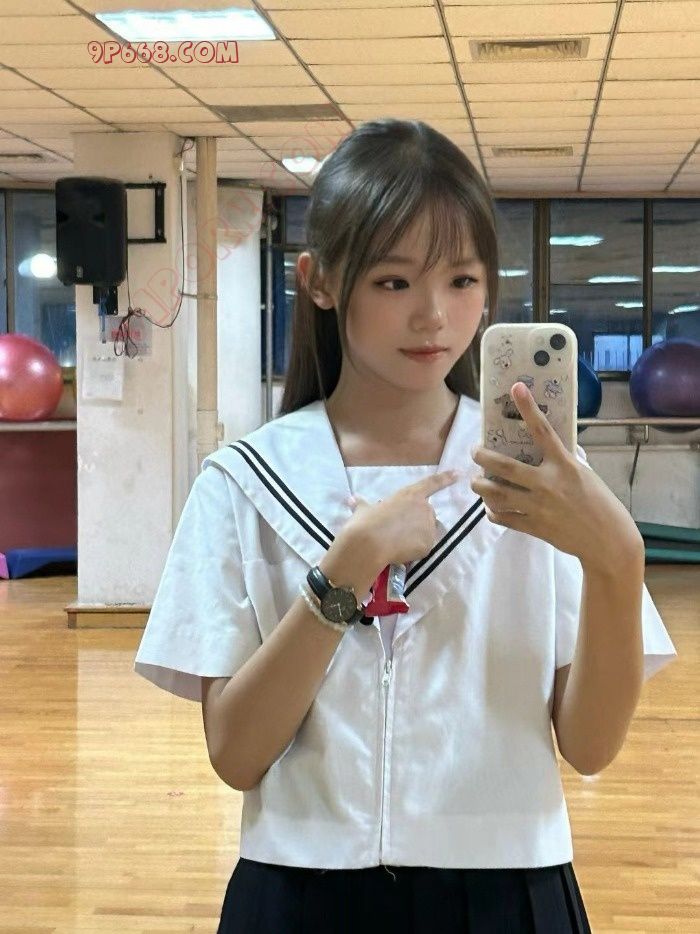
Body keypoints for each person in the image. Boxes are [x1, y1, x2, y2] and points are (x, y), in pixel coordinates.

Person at [134, 119, 678, 933]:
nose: (434, 315)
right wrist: (342, 575)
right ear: (320, 281)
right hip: (299, 889)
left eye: (462, 280)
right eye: (394, 282)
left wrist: (618, 561)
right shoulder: (244, 481)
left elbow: (591, 747)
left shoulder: (547, 484)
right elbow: (237, 755)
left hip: (508, 889)